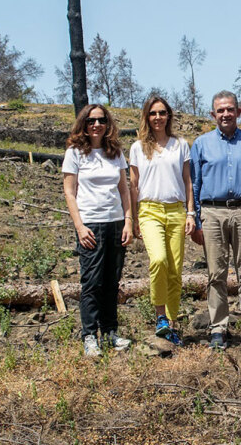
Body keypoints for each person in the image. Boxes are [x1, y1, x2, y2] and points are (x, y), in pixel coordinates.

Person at [190, 90, 241, 350]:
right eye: (220, 110)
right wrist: (194, 218)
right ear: (213, 114)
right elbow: (194, 184)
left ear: (238, 112)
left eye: (230, 109)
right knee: (216, 273)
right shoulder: (201, 144)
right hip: (212, 213)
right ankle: (218, 328)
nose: (225, 114)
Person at [63, 104, 133, 357]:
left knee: (111, 282)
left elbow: (124, 190)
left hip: (115, 223)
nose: (96, 125)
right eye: (91, 121)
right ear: (84, 123)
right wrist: (80, 227)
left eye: (101, 120)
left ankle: (110, 332)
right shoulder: (75, 153)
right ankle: (90, 335)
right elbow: (69, 192)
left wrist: (128, 221)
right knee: (92, 282)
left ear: (107, 124)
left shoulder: (115, 153)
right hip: (90, 225)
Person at [129, 96, 195, 347]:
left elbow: (188, 181)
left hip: (176, 211)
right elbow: (133, 185)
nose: (158, 117)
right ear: (147, 117)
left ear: (169, 116)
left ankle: (172, 322)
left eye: (163, 113)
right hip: (149, 211)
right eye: (153, 113)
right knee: (158, 260)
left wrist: (190, 213)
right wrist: (133, 218)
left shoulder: (180, 145)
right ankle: (160, 318)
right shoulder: (137, 147)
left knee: (175, 269)